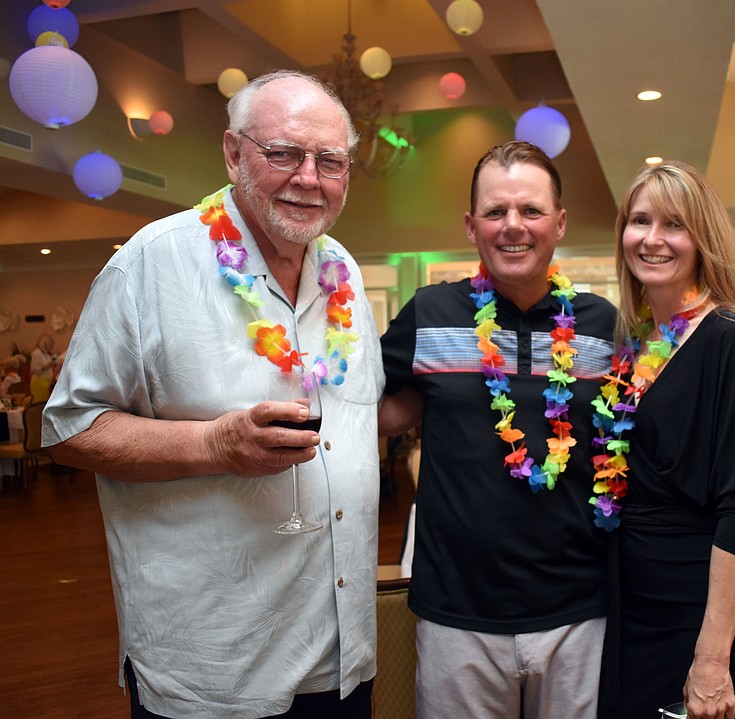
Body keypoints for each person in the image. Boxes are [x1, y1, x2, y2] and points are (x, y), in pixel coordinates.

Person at [42, 70, 384, 719]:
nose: (309, 177)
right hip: (218, 668)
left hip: (339, 656)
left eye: (330, 161)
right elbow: (69, 428)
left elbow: (361, 413)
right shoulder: (153, 262)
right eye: (284, 153)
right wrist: (211, 441)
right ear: (233, 152)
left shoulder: (342, 271)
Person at [380, 141, 616, 719]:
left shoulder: (602, 325)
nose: (514, 226)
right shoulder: (429, 312)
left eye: (531, 211)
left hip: (579, 610)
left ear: (559, 223)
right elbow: (362, 409)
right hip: (457, 612)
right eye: (495, 211)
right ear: (471, 225)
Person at [595, 160, 735, 719]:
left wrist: (711, 660)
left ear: (702, 239)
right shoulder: (642, 343)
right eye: (640, 221)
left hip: (702, 625)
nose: (651, 239)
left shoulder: (730, 338)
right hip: (636, 613)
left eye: (673, 224)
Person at [29, 332, 56, 401]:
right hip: (39, 381)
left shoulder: (45, 353)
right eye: (50, 343)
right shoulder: (37, 353)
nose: (52, 345)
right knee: (40, 403)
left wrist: (52, 352)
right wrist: (47, 366)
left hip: (46, 381)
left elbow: (55, 359)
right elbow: (34, 369)